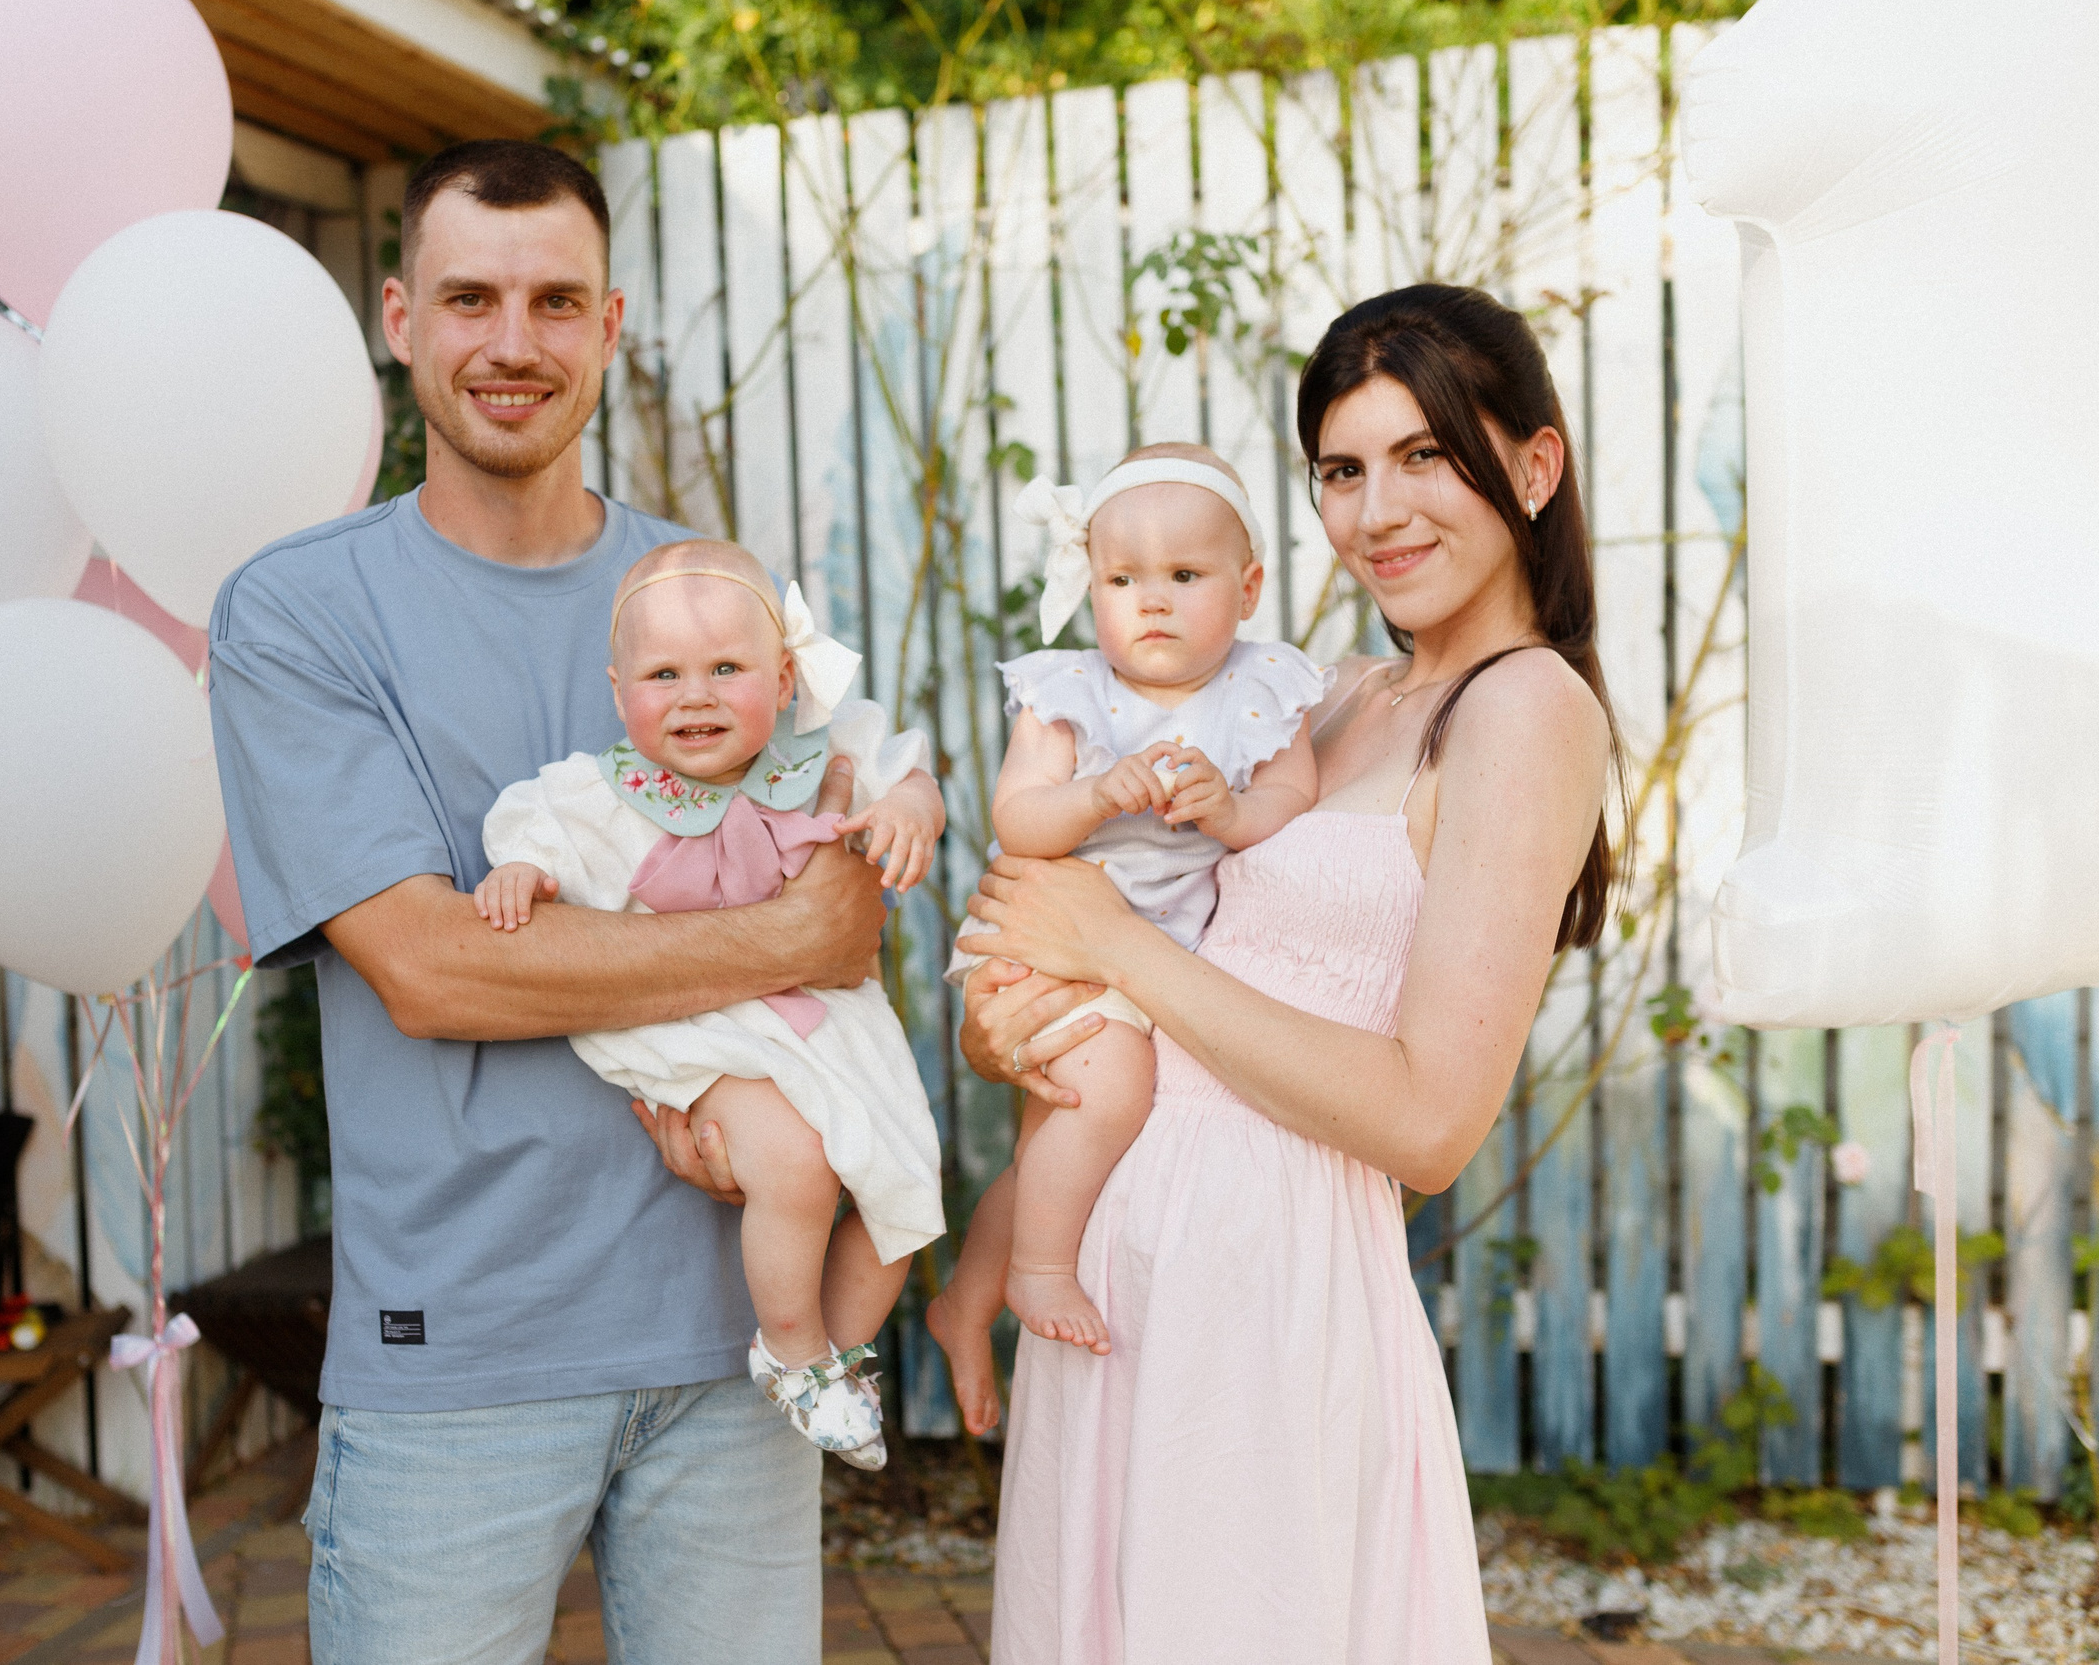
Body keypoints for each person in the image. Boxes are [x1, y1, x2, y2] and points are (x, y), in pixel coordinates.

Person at [208, 139, 889, 1665]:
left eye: (554, 300)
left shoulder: (710, 596)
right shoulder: (301, 610)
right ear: (399, 316)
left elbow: (855, 909)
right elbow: (438, 970)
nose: (512, 342)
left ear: (612, 323)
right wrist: (779, 936)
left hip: (734, 1346)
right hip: (461, 1352)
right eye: (469, 297)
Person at [955, 283, 1621, 1662]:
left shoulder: (1527, 711)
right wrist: (1017, 1019)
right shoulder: (1315, 695)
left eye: (1427, 454)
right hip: (1118, 1270)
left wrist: (1110, 943)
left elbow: (1430, 1119)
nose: (1380, 510)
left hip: (1263, 1297)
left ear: (1535, 466)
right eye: (1343, 468)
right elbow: (1138, 973)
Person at [473, 538, 948, 1468]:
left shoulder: (819, 756)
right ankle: (790, 1339)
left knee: (906, 1184)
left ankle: (833, 1362)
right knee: (797, 1162)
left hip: (822, 1016)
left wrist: (910, 813)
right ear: (620, 692)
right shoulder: (607, 792)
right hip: (695, 1022)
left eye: (725, 668)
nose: (694, 694)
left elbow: (910, 774)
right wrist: (524, 867)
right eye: (663, 674)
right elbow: (534, 820)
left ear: (782, 678)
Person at [926, 442, 1324, 1433]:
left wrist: (1230, 812)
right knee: (1108, 1092)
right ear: (1089, 583)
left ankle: (961, 1299)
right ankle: (1037, 1272)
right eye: (1120, 579)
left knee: (1046, 1148)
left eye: (1183, 577)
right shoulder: (1067, 692)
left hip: (1141, 954)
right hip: (1054, 941)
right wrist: (1096, 792)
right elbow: (1018, 821)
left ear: (1247, 587)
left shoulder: (1263, 686)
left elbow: (1292, 791)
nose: (1149, 602)